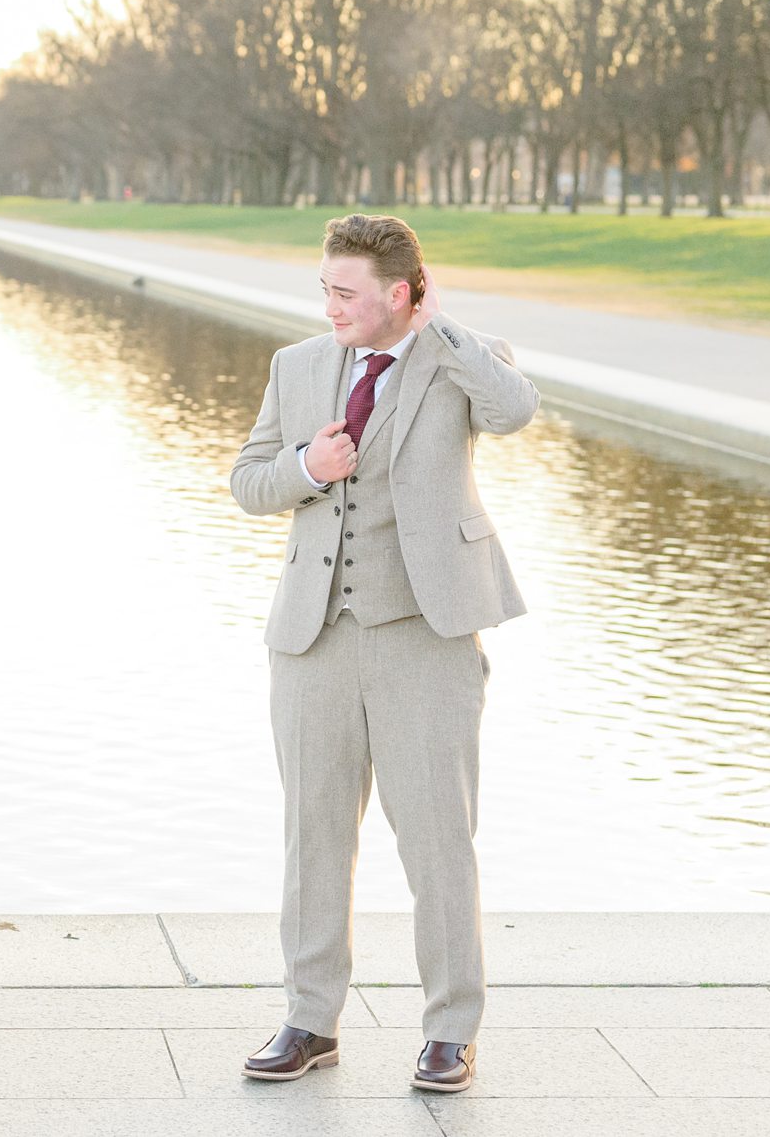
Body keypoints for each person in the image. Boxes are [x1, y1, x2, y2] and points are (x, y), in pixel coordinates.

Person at [227, 212, 538, 1093]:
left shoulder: (459, 355)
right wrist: (305, 466)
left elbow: (516, 411)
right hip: (312, 639)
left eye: (345, 291)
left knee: (439, 839)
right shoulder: (297, 366)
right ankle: (309, 1019)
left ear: (400, 293)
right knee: (313, 834)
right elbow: (250, 479)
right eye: (323, 288)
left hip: (427, 636)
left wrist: (440, 324)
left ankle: (450, 1029)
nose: (328, 304)